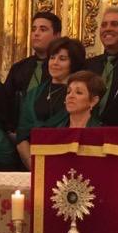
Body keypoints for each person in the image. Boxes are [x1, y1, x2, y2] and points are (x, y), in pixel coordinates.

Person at [16, 36, 86, 166]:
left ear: (74, 63)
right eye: (52, 58)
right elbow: (22, 135)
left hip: (68, 162)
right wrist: (33, 164)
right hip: (33, 162)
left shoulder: (81, 96)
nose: (55, 63)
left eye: (62, 59)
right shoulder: (34, 94)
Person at [5, 11, 62, 102]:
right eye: (33, 29)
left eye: (43, 30)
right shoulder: (19, 68)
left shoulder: (62, 67)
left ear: (57, 36)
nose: (36, 33)